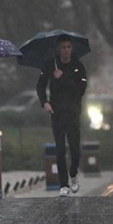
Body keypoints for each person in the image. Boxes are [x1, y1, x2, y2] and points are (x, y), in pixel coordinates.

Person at [36, 34, 88, 197]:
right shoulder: (50, 64)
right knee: (60, 148)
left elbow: (80, 90)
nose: (65, 51)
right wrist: (44, 102)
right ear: (58, 49)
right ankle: (63, 183)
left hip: (73, 112)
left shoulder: (78, 66)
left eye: (68, 47)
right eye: (63, 47)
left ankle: (73, 173)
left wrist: (63, 77)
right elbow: (40, 85)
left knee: (74, 148)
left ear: (72, 48)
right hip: (56, 112)